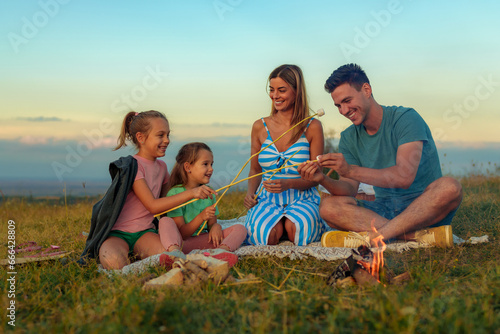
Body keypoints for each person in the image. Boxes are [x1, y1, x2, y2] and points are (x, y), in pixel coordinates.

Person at [298, 64, 463, 248]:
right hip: (383, 209)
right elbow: (349, 189)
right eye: (338, 106)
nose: (343, 111)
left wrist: (350, 169)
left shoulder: (406, 118)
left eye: (347, 100)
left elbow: (403, 177)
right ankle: (415, 236)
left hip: (422, 207)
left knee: (450, 187)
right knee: (329, 208)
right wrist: (322, 179)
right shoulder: (348, 137)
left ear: (366, 90)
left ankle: (375, 237)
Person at [80, 110, 216, 269]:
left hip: (144, 233)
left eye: (168, 135)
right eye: (160, 135)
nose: (167, 140)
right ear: (141, 138)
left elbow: (169, 202)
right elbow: (153, 205)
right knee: (113, 261)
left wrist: (196, 195)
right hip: (118, 233)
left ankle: (138, 258)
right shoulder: (134, 166)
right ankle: (126, 258)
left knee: (169, 256)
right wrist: (191, 193)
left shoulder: (162, 167)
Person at [244, 64, 325, 246]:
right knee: (265, 236)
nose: (275, 96)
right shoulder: (259, 126)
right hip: (267, 198)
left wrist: (288, 183)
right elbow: (255, 169)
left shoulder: (312, 127)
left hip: (303, 197)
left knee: (297, 230)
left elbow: (316, 177)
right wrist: (250, 194)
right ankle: (276, 225)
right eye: (272, 90)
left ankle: (289, 224)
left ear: (297, 92)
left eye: (282, 90)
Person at [164, 142, 247, 266]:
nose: (211, 168)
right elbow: (182, 234)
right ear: (188, 167)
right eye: (205, 164)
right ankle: (175, 255)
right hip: (182, 244)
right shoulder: (175, 193)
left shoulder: (209, 193)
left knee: (240, 228)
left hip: (201, 241)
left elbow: (212, 224)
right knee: (165, 221)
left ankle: (220, 253)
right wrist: (201, 217)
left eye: (211, 164)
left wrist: (216, 227)